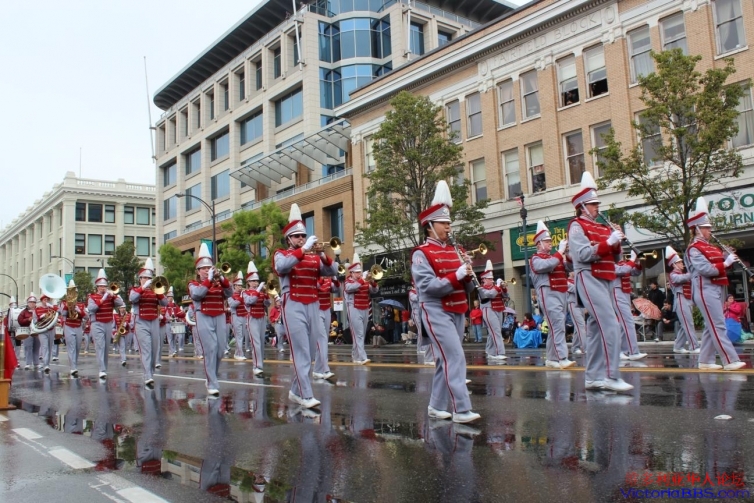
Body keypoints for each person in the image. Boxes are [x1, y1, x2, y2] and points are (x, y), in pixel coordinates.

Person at [411, 180, 480, 423]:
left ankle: (436, 405)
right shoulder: (421, 253)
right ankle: (461, 409)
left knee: (445, 359)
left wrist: (469, 275)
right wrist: (457, 275)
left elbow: (466, 286)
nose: (449, 227)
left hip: (458, 308)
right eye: (444, 223)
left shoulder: (455, 250)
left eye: (449, 223)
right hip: (436, 309)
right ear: (430, 226)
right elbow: (428, 287)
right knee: (455, 357)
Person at [567, 172, 633, 392]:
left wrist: (616, 241)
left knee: (596, 329)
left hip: (606, 277)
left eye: (597, 204)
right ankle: (611, 376)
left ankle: (593, 377)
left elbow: (614, 257)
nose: (597, 208)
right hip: (588, 276)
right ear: (582, 207)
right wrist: (608, 242)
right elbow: (582, 254)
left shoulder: (604, 227)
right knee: (611, 325)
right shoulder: (576, 225)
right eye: (593, 204)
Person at [273, 203, 338, 408]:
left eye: (303, 235)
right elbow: (282, 267)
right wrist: (304, 249)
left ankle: (295, 390)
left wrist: (322, 255)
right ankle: (305, 394)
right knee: (301, 351)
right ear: (288, 239)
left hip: (313, 304)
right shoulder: (281, 254)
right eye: (297, 236)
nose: (301, 239)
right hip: (293, 304)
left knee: (309, 352)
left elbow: (333, 271)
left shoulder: (312, 256)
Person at [684, 196, 745, 370]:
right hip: (704, 289)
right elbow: (706, 269)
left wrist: (727, 257)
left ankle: (705, 360)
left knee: (711, 325)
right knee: (718, 325)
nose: (710, 230)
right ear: (697, 229)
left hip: (716, 288)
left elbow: (718, 265)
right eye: (706, 228)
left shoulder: (711, 247)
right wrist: (725, 263)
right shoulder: (694, 248)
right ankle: (729, 360)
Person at [189, 243, 234, 396]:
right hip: (203, 315)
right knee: (210, 349)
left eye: (209, 267)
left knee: (220, 350)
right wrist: (208, 280)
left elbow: (229, 293)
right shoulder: (193, 284)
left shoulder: (218, 283)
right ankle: (212, 382)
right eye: (203, 268)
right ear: (198, 271)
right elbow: (197, 294)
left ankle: (211, 376)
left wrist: (221, 277)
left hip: (220, 315)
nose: (207, 270)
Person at [530, 221, 573, 369]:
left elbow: (570, 267)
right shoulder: (535, 258)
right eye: (547, 241)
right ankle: (562, 357)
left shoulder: (556, 256)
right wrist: (560, 252)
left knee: (557, 326)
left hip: (561, 293)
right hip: (548, 294)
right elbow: (547, 265)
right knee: (558, 325)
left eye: (550, 240)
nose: (550, 243)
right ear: (539, 243)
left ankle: (551, 358)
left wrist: (568, 253)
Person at [130, 258, 168, 388]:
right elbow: (132, 298)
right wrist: (143, 288)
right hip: (141, 322)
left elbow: (165, 303)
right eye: (144, 278)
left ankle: (150, 372)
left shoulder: (155, 291)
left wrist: (159, 293)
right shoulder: (135, 290)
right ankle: (148, 375)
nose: (147, 280)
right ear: (140, 279)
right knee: (146, 349)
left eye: (149, 278)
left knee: (154, 349)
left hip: (154, 321)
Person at [88, 268, 125, 379]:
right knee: (100, 346)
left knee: (106, 347)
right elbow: (92, 309)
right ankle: (102, 369)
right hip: (97, 323)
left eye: (104, 286)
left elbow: (121, 303)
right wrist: (102, 299)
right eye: (101, 286)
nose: (103, 288)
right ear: (97, 287)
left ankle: (104, 368)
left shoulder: (110, 297)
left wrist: (113, 295)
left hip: (108, 323)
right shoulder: (92, 297)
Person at [344, 252, 378, 364]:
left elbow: (374, 291)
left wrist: (372, 282)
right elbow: (350, 288)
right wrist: (363, 279)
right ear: (352, 273)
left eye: (360, 272)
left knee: (361, 334)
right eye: (357, 272)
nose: (359, 274)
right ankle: (362, 357)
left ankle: (355, 356)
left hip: (365, 309)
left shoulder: (364, 281)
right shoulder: (348, 281)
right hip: (354, 309)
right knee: (358, 334)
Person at [614, 251, 647, 360]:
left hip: (626, 293)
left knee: (623, 324)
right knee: (628, 322)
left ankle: (621, 351)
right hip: (617, 293)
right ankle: (633, 352)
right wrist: (632, 259)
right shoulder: (611, 263)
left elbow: (635, 272)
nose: (622, 251)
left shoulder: (624, 263)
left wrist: (637, 262)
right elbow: (622, 271)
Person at [666, 246, 699, 354]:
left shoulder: (683, 273)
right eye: (679, 262)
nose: (681, 264)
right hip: (680, 299)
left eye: (681, 262)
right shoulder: (673, 274)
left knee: (685, 325)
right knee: (688, 324)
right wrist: (692, 272)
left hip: (687, 300)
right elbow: (681, 279)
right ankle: (694, 346)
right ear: (674, 264)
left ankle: (678, 346)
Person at [243, 261, 270, 376]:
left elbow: (267, 304)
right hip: (252, 318)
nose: (255, 283)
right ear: (248, 282)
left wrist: (267, 295)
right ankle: (256, 366)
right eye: (253, 281)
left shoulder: (261, 292)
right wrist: (258, 290)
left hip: (262, 318)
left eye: (257, 281)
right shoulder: (245, 292)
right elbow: (250, 301)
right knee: (256, 343)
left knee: (262, 342)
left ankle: (261, 364)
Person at [478, 260, 507, 360]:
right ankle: (500, 352)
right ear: (484, 279)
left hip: (499, 309)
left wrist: (504, 288)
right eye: (489, 279)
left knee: (493, 332)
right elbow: (490, 294)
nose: (492, 280)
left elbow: (506, 296)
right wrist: (498, 287)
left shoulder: (496, 287)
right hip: (488, 310)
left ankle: (489, 351)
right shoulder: (481, 288)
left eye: (492, 278)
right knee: (496, 331)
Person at [314, 275, 339, 380]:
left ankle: (316, 370)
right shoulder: (315, 279)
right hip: (316, 310)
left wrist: (335, 279)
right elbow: (315, 287)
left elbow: (335, 289)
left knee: (323, 341)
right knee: (322, 339)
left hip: (327, 309)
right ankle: (325, 369)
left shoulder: (328, 280)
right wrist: (321, 279)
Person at [409, 283, 434, 365]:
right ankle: (420, 348)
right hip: (416, 314)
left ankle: (421, 348)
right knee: (420, 331)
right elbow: (417, 298)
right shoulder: (411, 293)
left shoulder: (418, 291)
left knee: (423, 331)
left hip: (422, 313)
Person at [228, 271, 250, 361]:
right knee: (239, 336)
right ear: (234, 286)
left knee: (242, 336)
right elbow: (232, 304)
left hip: (244, 316)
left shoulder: (243, 294)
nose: (240, 287)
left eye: (241, 286)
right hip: (236, 316)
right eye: (238, 286)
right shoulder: (230, 295)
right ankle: (240, 354)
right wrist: (240, 298)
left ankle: (237, 353)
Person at [566, 272, 586, 355]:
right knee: (581, 325)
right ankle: (585, 348)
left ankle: (575, 347)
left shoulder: (579, 280)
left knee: (578, 327)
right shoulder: (566, 281)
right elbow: (577, 290)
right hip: (573, 304)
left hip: (581, 305)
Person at [165, 287, 185, 356]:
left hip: (174, 323)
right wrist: (168, 318)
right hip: (168, 323)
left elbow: (179, 313)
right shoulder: (165, 305)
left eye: (171, 296)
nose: (171, 298)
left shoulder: (175, 305)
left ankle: (173, 350)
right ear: (167, 297)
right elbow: (163, 313)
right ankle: (171, 351)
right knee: (170, 338)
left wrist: (182, 313)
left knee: (174, 337)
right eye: (169, 296)